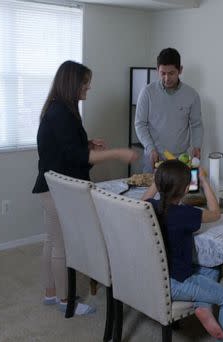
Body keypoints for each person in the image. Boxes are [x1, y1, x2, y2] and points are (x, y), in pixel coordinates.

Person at [32, 61, 138, 315]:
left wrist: (87, 143)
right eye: (85, 83)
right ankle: (63, 300)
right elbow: (78, 158)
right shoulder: (62, 112)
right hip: (58, 190)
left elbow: (66, 149)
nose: (88, 88)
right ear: (72, 83)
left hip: (49, 186)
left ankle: (51, 293)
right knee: (61, 245)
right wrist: (118, 153)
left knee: (51, 240)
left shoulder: (58, 110)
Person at [142, 160, 223, 342]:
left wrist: (157, 181)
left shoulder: (148, 207)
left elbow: (142, 200)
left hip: (155, 276)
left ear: (158, 183)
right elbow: (216, 213)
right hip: (175, 283)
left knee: (213, 266)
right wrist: (204, 181)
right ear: (186, 189)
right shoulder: (185, 214)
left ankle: (203, 307)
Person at [135, 48, 203, 172]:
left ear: (180, 70)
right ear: (157, 70)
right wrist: (150, 148)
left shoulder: (192, 95)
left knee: (183, 191)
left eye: (171, 73)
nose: (167, 78)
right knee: (150, 191)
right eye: (163, 73)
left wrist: (197, 146)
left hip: (180, 159)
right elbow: (140, 124)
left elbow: (196, 124)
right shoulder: (147, 93)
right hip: (154, 157)